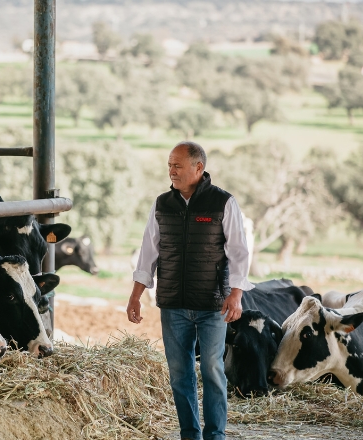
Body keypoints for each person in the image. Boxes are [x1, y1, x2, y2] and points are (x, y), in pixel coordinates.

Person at [126, 141, 253, 440]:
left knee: (211, 369)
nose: (171, 170)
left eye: (177, 165)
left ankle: (215, 435)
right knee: (180, 373)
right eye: (170, 164)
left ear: (199, 168)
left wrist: (236, 294)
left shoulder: (223, 202)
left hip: (213, 305)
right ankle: (189, 435)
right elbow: (148, 253)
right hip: (172, 304)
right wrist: (135, 295)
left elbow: (239, 252)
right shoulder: (161, 204)